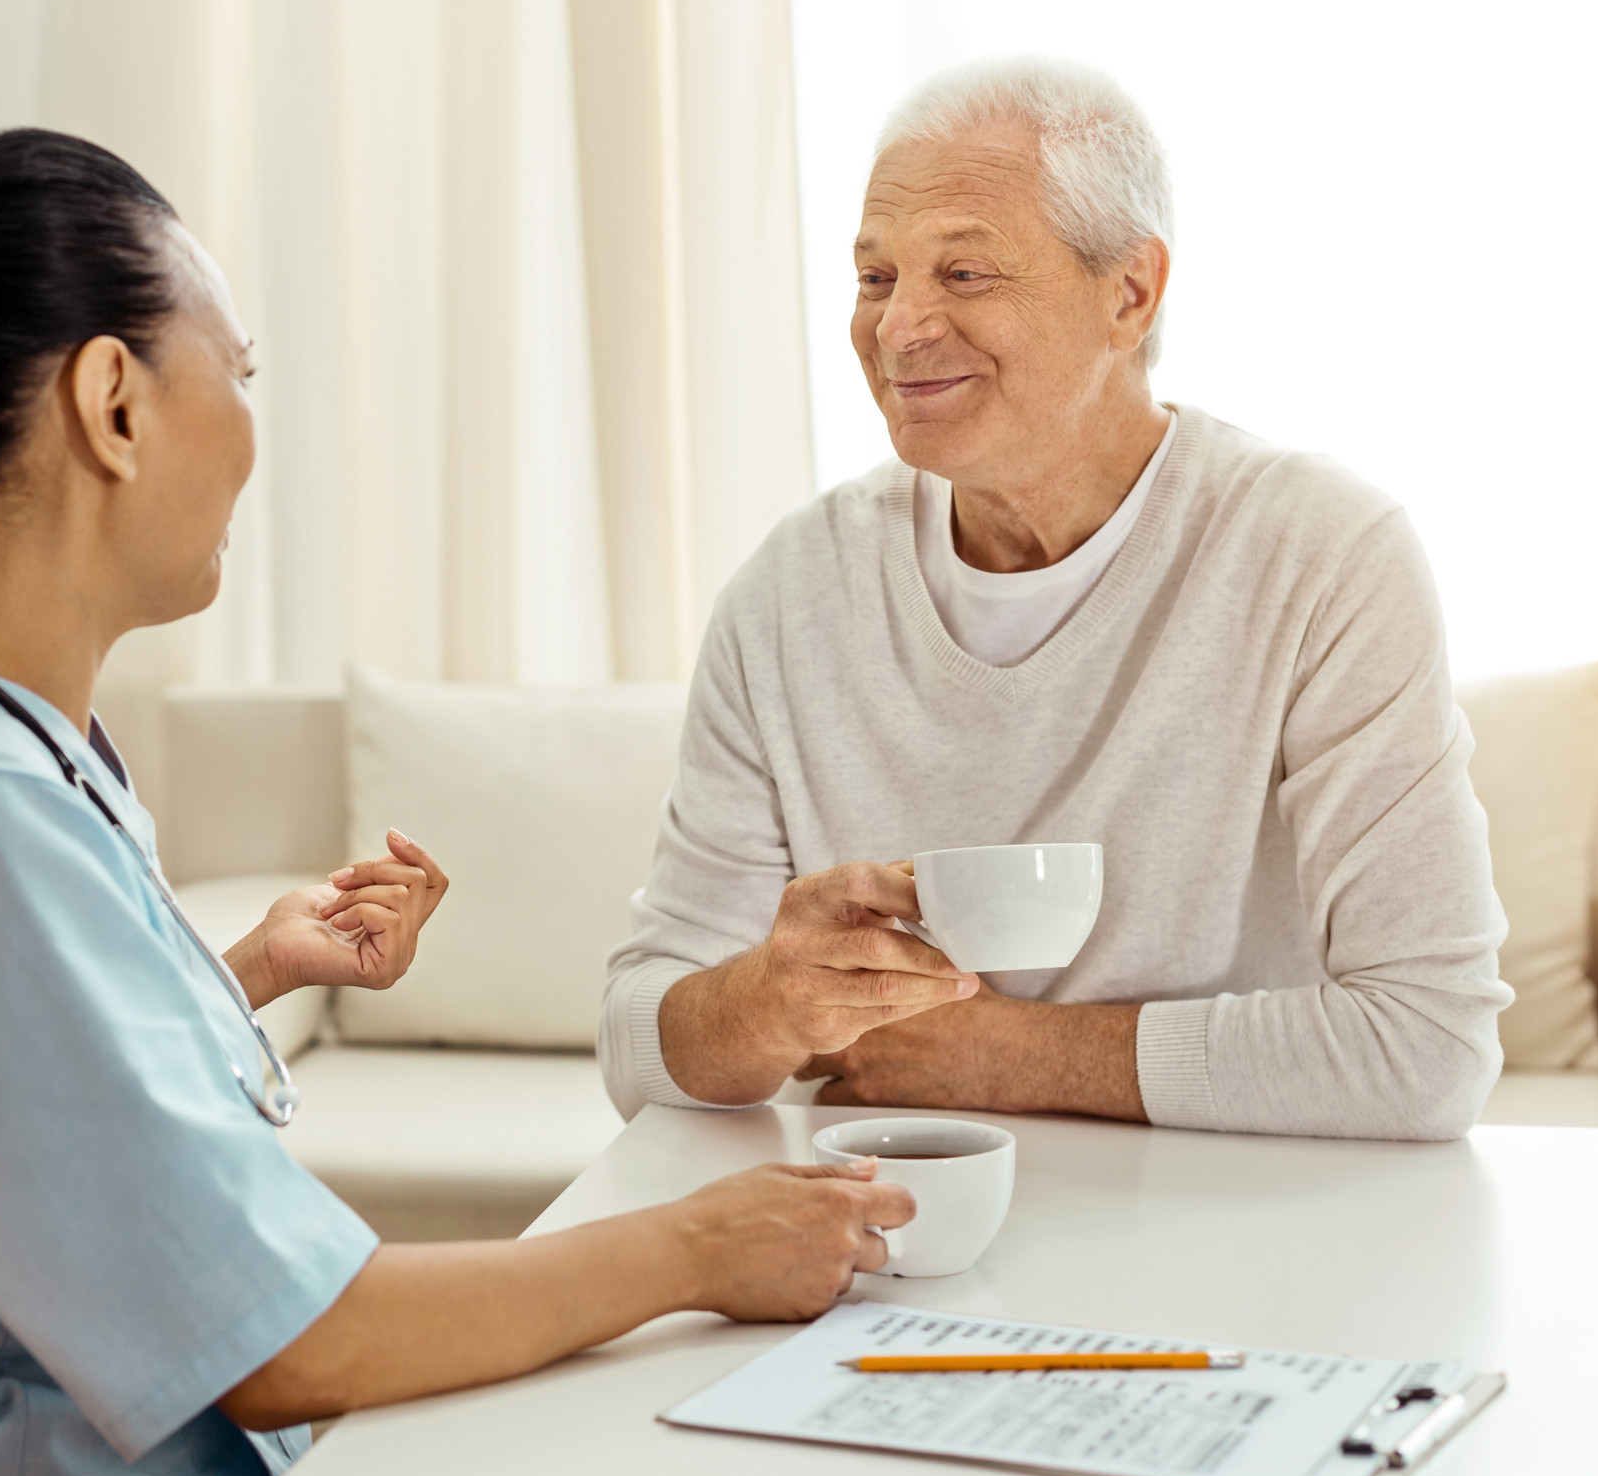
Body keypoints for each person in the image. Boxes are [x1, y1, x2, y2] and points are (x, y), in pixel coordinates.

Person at [0, 129, 912, 1476]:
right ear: (111, 403)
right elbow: (296, 1341)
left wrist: (235, 975)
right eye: (237, 374)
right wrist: (693, 1249)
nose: (250, 427)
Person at [599, 57, 1510, 1141]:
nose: (899, 330)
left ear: (1129, 293)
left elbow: (1430, 1049)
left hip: (1240, 1217)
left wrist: (1007, 1056)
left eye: (966, 274)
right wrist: (765, 1000)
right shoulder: (791, 593)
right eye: (877, 277)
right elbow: (634, 1044)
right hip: (893, 1227)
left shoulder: (1321, 556)